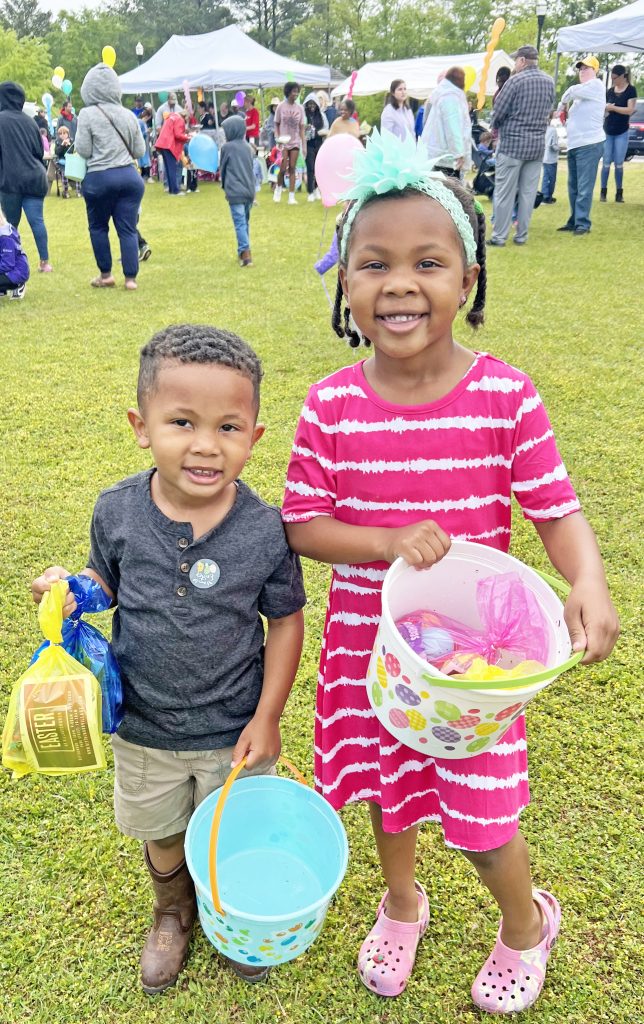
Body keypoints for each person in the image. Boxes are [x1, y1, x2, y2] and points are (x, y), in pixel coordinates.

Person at [281, 130, 619, 1014]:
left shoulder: (506, 395)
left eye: (427, 263)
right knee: (387, 793)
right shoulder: (331, 406)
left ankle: (524, 924)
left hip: (478, 666)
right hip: (373, 649)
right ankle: (402, 904)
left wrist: (587, 580)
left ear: (466, 280)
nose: (399, 284)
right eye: (373, 264)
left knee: (483, 818)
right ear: (345, 284)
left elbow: (555, 508)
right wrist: (387, 540)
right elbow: (304, 525)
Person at [31, 323, 306, 995]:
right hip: (144, 727)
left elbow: (286, 621)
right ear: (141, 426)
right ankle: (172, 913)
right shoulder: (117, 511)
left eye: (229, 427)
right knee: (160, 831)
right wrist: (72, 593)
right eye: (182, 422)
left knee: (230, 832)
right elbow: (105, 581)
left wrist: (268, 716)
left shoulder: (265, 530)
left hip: (235, 731)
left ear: (254, 437)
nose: (206, 445)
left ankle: (228, 912)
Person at [74, 63, 145, 290]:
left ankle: (105, 275)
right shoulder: (129, 115)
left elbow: (83, 150)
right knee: (128, 229)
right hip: (129, 177)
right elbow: (140, 151)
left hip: (100, 178)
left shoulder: (87, 114)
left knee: (98, 227)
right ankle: (131, 279)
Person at [488, 44, 554, 247]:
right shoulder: (549, 82)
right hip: (536, 147)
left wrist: (495, 126)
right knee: (528, 193)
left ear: (523, 60)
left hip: (512, 146)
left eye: (516, 59)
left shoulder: (514, 81)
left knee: (504, 193)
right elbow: (549, 110)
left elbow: (498, 112)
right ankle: (521, 235)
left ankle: (499, 236)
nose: (515, 63)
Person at [0, 81, 52, 273]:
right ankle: (45, 262)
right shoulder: (30, 121)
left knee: (9, 225)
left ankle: (11, 260)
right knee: (37, 221)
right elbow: (39, 151)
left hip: (11, 180)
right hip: (35, 178)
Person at [556, 56, 605, 236]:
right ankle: (575, 220)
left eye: (586, 68)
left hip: (589, 144)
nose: (582, 71)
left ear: (595, 71)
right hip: (575, 144)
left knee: (584, 186)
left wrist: (562, 103)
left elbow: (570, 91)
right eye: (580, 69)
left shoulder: (595, 86)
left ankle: (582, 223)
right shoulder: (581, 95)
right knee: (574, 186)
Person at [420, 66, 471, 178]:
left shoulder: (444, 95)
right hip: (445, 157)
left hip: (438, 155)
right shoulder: (450, 97)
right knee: (449, 187)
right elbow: (453, 128)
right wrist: (459, 154)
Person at [220, 116, 255, 267]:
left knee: (239, 222)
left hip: (234, 191)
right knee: (244, 221)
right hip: (249, 190)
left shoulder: (226, 148)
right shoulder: (248, 147)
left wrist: (224, 186)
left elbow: (223, 169)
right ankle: (243, 251)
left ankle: (245, 253)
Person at [600, 64, 637, 203]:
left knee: (619, 163)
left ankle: (619, 193)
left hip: (622, 131)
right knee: (606, 162)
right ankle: (603, 192)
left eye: (615, 78)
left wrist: (613, 108)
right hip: (608, 131)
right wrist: (606, 109)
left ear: (622, 76)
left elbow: (630, 110)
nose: (613, 80)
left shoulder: (631, 90)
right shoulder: (609, 91)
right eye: (612, 78)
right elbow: (604, 109)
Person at [273, 81, 305, 206]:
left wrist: (304, 145)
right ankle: (278, 190)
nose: (295, 94)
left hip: (295, 141)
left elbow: (302, 128)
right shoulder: (281, 106)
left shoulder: (300, 108)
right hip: (283, 141)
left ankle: (291, 196)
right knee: (282, 168)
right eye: (293, 91)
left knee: (292, 167)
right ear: (288, 92)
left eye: (297, 92)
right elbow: (276, 123)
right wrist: (277, 138)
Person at [155, 110, 190, 196]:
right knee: (172, 168)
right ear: (185, 117)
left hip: (162, 144)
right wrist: (187, 137)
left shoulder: (171, 117)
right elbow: (178, 134)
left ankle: (171, 190)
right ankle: (175, 190)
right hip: (169, 145)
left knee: (168, 168)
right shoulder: (180, 119)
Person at [303, 92, 328, 201]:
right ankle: (310, 191)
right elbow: (301, 129)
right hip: (308, 144)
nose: (312, 106)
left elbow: (326, 128)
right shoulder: (304, 116)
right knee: (310, 168)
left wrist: (320, 133)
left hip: (319, 143)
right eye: (310, 104)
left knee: (318, 168)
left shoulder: (321, 115)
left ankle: (317, 188)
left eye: (313, 104)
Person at [0, 207, 29, 299]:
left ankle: (18, 285)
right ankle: (2, 290)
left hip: (16, 272)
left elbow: (7, 265)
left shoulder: (6, 237)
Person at [54, 123, 82, 198]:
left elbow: (73, 151)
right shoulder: (57, 142)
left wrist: (68, 145)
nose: (62, 135)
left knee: (77, 171)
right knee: (64, 171)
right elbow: (57, 152)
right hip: (62, 161)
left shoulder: (72, 141)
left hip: (72, 160)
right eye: (60, 133)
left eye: (64, 133)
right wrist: (62, 145)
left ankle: (79, 191)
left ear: (67, 133)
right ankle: (65, 192)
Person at [540, 113, 559, 203]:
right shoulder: (552, 130)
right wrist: (560, 148)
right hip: (551, 158)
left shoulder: (541, 129)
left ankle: (546, 196)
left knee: (546, 177)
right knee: (551, 178)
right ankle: (547, 196)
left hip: (542, 156)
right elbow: (553, 146)